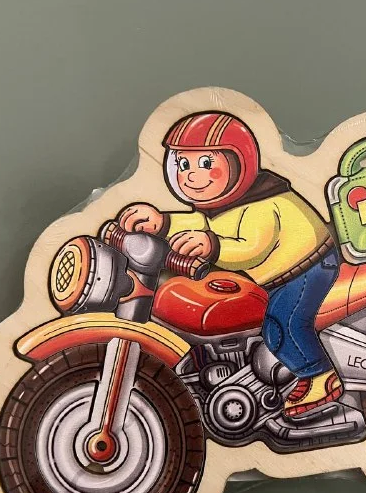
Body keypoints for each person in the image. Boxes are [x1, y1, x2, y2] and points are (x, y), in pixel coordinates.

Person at [118, 111, 342, 416]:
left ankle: (319, 375)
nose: (191, 175)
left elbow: (252, 249)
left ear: (239, 162)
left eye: (205, 163)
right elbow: (199, 222)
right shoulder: (223, 203)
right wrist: (162, 222)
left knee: (281, 325)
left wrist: (213, 246)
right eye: (182, 165)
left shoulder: (263, 203)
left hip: (307, 267)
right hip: (278, 275)